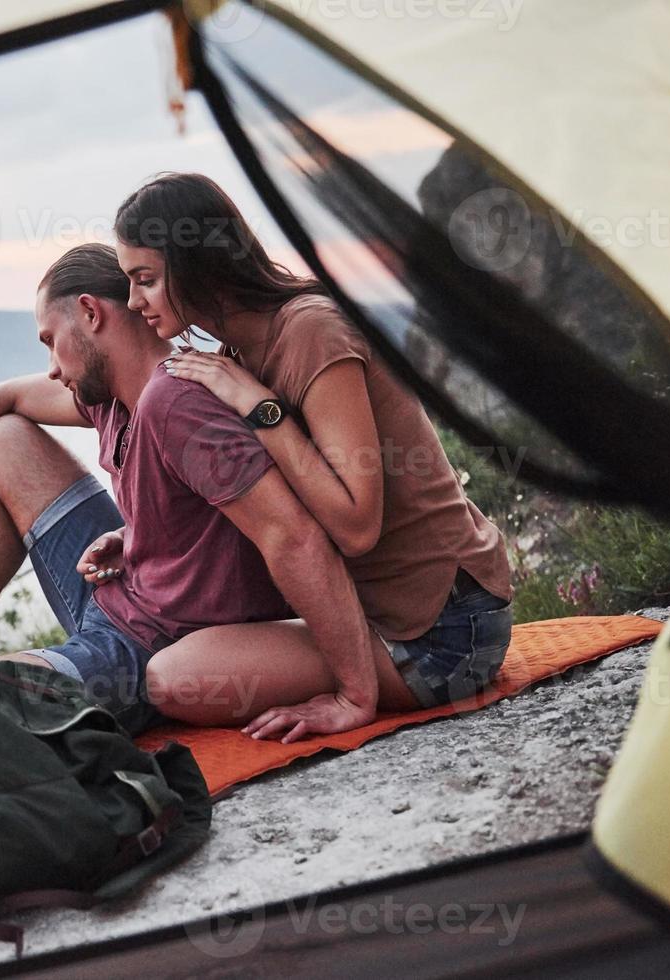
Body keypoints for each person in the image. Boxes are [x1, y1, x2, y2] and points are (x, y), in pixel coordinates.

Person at [0, 243, 418, 736]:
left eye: (51, 340)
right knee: (4, 438)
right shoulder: (109, 395)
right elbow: (4, 399)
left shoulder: (183, 401)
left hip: (150, 644)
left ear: (91, 313)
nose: (50, 366)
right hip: (118, 589)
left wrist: (353, 692)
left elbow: (294, 538)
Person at [111, 172, 514, 739]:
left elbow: (355, 526)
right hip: (390, 618)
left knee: (175, 679)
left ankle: (359, 686)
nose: (134, 301)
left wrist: (261, 409)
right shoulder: (241, 351)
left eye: (145, 280)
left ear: (196, 263)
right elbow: (276, 500)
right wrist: (136, 537)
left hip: (446, 635)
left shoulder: (311, 332)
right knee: (184, 668)